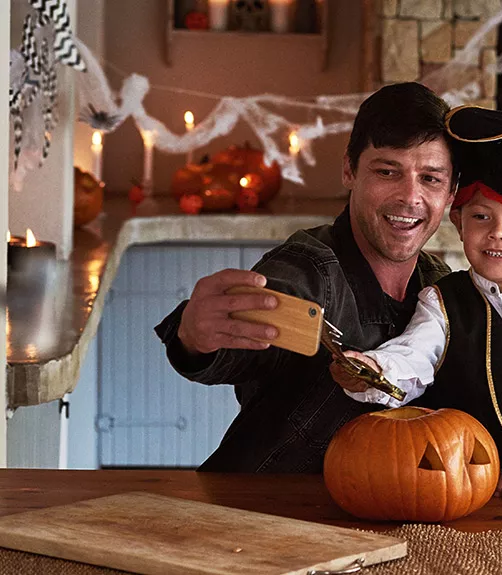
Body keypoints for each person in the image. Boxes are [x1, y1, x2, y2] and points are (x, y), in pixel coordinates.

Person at [153, 82, 457, 473]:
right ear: (349, 170)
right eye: (387, 171)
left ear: (451, 193)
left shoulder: (441, 287)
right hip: (260, 513)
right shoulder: (306, 271)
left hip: (374, 522)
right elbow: (244, 342)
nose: (410, 197)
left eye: (431, 178)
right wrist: (194, 338)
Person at [332, 107, 502, 501]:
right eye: (481, 216)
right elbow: (415, 353)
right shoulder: (441, 299)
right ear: (458, 224)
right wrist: (374, 370)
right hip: (464, 482)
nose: (497, 234)